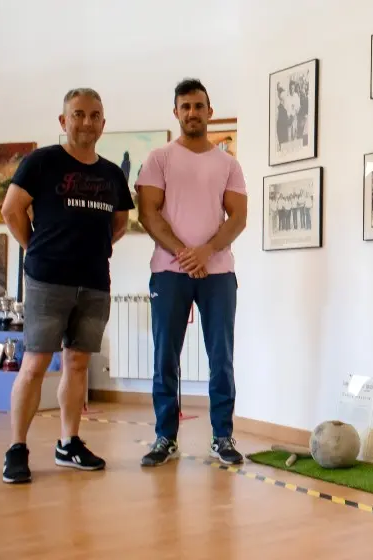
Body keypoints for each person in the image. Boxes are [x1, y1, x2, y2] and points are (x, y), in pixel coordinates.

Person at [0, 87, 134, 483]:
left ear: (103, 124)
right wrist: (36, 248)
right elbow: (11, 210)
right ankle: (17, 448)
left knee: (77, 364)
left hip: (94, 283)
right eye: (78, 114)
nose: (86, 122)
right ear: (64, 121)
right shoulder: (41, 162)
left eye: (94, 115)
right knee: (35, 363)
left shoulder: (111, 173)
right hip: (46, 281)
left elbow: (121, 223)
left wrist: (90, 252)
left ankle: (68, 443)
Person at [135, 78, 248, 467]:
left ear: (209, 112)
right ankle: (165, 437)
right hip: (169, 272)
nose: (192, 113)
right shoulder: (159, 159)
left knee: (222, 357)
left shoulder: (228, 164)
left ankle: (222, 436)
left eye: (199, 106)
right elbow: (148, 213)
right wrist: (185, 254)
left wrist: (208, 251)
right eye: (185, 106)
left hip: (218, 275)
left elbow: (239, 217)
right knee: (165, 356)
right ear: (176, 113)